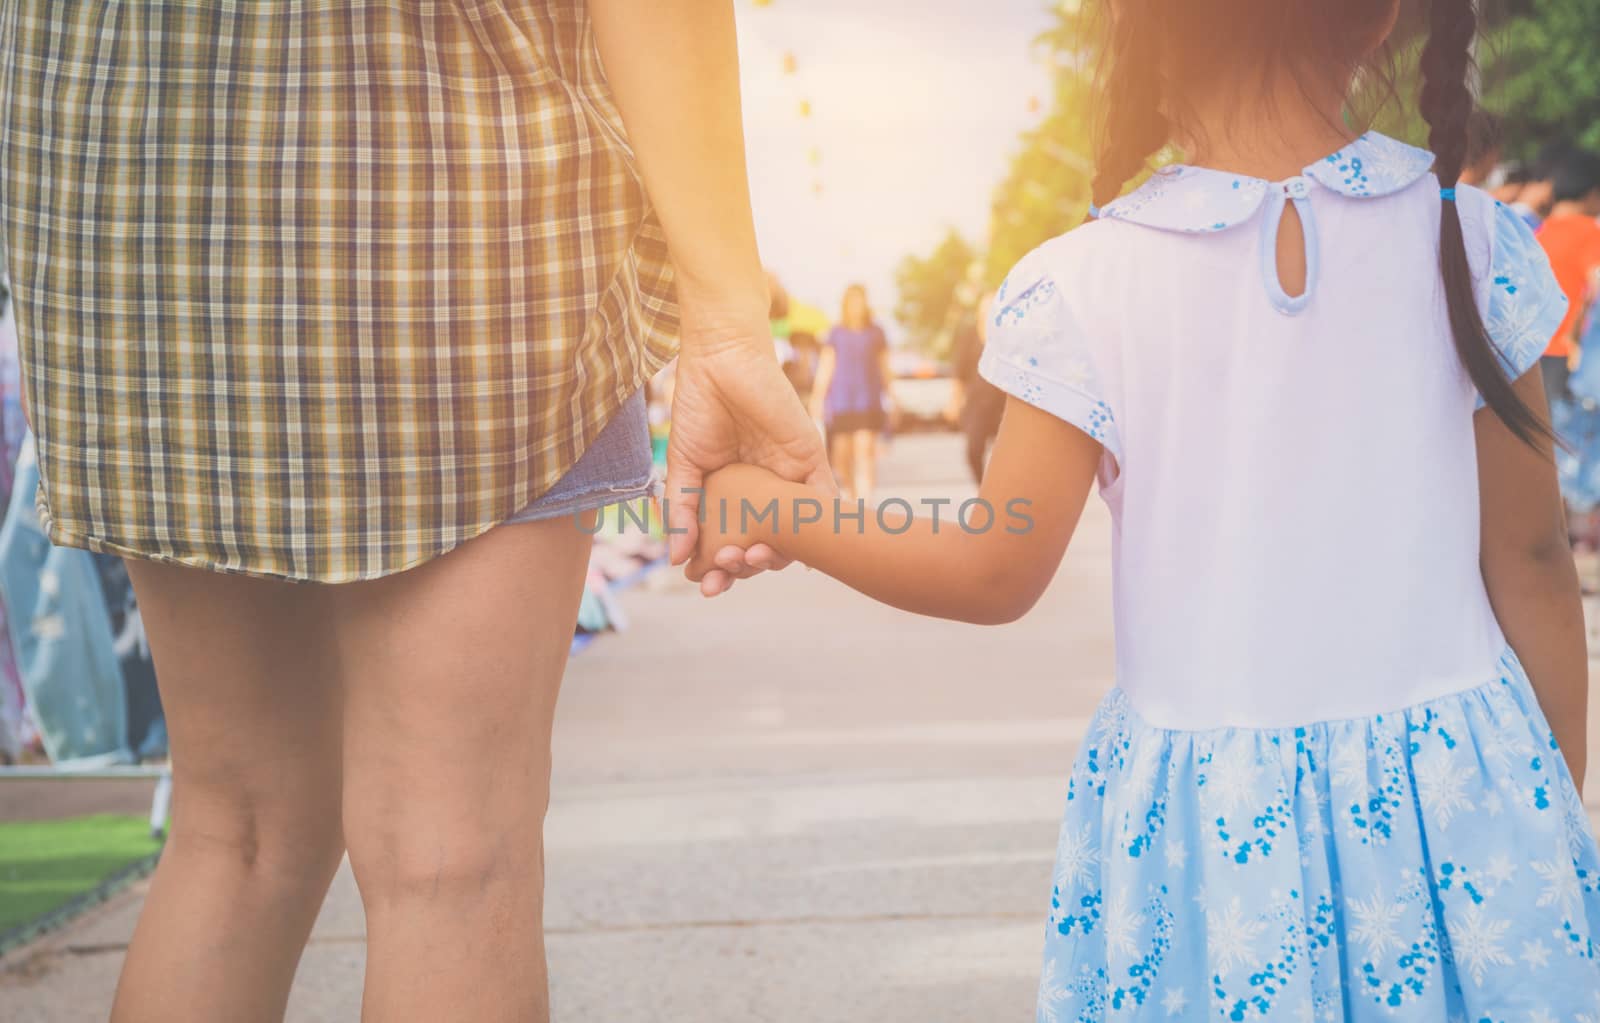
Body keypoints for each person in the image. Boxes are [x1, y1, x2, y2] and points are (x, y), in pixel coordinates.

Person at [689, 0, 1600, 1015]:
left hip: (1215, 850)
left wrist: (767, 506)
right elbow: (1528, 560)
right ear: (1385, 16)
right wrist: (1545, 819)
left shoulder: (1083, 282)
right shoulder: (1472, 243)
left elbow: (992, 565)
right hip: (1466, 817)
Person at [0, 3, 827, 1021]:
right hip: (456, 207)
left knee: (237, 832)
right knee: (450, 853)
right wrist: (728, 323)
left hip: (138, 216)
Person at [810, 285, 895, 501]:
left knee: (865, 452)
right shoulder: (836, 333)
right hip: (842, 401)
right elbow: (826, 366)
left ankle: (866, 503)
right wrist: (817, 398)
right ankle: (851, 494)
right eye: (853, 301)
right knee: (841, 457)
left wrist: (893, 396)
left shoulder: (876, 332)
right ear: (846, 305)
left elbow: (884, 366)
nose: (857, 306)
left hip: (868, 400)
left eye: (861, 301)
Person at [1536, 147, 1600, 400]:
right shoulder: (1589, 233)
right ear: (1593, 193)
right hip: (1571, 356)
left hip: (1534, 353)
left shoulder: (1537, 233)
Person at [949, 291, 1005, 484]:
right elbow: (959, 371)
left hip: (1003, 403)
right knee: (973, 450)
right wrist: (954, 402)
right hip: (976, 404)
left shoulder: (1006, 333)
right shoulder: (969, 336)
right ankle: (982, 487)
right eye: (985, 307)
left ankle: (1002, 487)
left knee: (1006, 452)